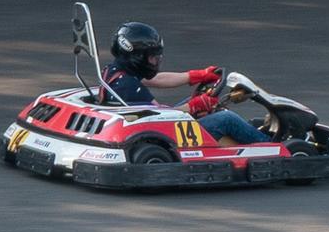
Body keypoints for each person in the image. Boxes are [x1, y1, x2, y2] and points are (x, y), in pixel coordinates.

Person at [103, 22, 263, 143]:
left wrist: (196, 76)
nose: (154, 61)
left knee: (203, 105)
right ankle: (270, 147)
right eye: (151, 57)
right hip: (161, 138)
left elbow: (157, 79)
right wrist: (195, 106)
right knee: (227, 119)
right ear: (136, 56)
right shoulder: (131, 88)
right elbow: (161, 118)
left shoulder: (115, 72)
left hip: (135, 129)